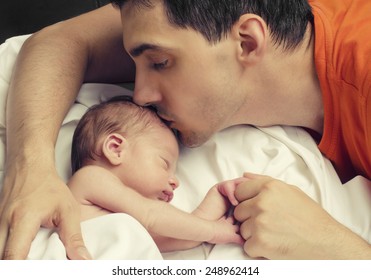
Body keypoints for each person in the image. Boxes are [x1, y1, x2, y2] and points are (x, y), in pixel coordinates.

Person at [0, 0, 370, 260]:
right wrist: (31, 169)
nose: (140, 94)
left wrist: (330, 245)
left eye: (160, 63)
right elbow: (58, 42)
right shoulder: (195, 17)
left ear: (247, 42)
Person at [67, 95, 243, 252]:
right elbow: (153, 215)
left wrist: (217, 197)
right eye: (164, 163)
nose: (175, 181)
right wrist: (214, 231)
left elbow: (182, 238)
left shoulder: (133, 226)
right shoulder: (89, 178)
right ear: (116, 149)